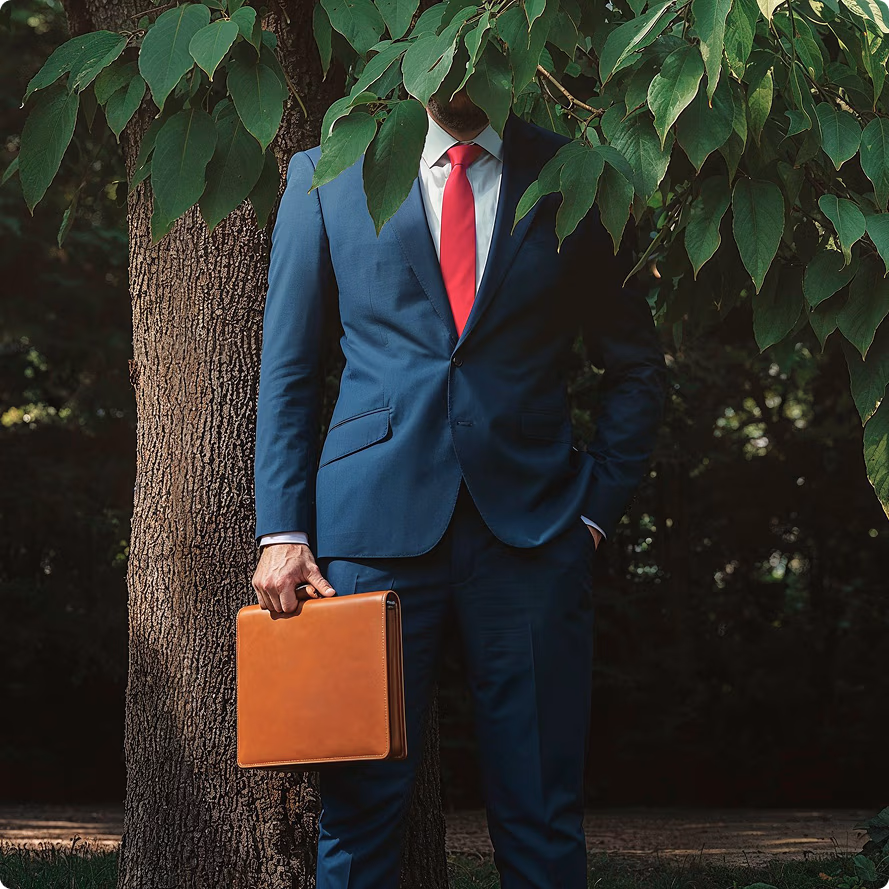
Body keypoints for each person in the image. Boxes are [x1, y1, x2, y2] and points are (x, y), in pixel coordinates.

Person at [251, 85, 668, 889]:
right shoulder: (327, 173)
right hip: (362, 542)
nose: (464, 76)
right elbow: (289, 374)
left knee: (541, 811)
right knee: (356, 811)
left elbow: (636, 367)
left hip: (536, 534)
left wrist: (593, 513)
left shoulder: (574, 175)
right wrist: (282, 530)